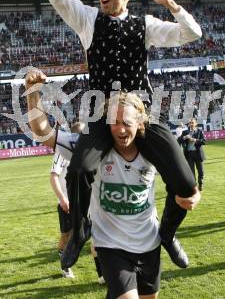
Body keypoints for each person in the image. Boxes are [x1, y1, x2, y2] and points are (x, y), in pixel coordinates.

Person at [41, 0, 202, 270]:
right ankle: (81, 233)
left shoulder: (144, 25)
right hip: (101, 116)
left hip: (141, 116)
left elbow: (192, 33)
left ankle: (168, 233)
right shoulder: (86, 19)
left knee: (187, 184)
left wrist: (170, 2)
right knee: (79, 169)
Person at [25, 73, 201, 299]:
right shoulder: (90, 149)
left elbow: (181, 177)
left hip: (149, 243)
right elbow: (43, 132)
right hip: (110, 245)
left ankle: (169, 236)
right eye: (114, 123)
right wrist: (33, 92)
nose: (120, 130)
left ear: (140, 122)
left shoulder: (154, 149)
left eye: (126, 123)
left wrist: (193, 195)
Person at [50, 122, 105, 282]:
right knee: (67, 235)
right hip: (68, 203)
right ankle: (65, 265)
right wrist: (62, 198)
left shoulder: (91, 150)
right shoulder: (61, 151)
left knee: (96, 236)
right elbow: (53, 176)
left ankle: (101, 274)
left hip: (89, 202)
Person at [178, 118, 206, 191]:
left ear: (196, 124)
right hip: (189, 154)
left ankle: (200, 183)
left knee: (201, 171)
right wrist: (184, 137)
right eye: (190, 123)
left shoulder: (199, 131)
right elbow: (178, 141)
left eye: (192, 123)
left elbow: (204, 141)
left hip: (198, 154)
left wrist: (195, 140)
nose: (191, 124)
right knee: (191, 171)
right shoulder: (185, 132)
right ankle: (194, 186)